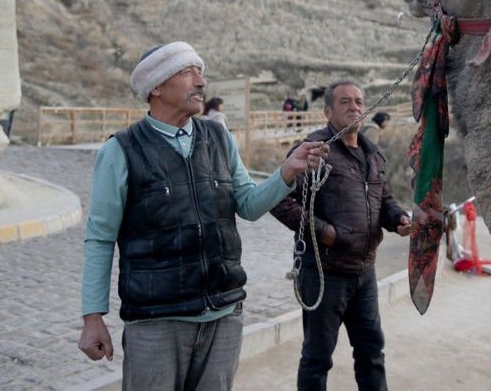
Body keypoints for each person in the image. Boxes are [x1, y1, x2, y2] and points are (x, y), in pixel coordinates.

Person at [77, 41, 329, 390]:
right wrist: (93, 317)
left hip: (224, 316)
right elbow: (100, 238)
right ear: (156, 87)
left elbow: (248, 204)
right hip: (155, 321)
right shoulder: (120, 150)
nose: (201, 82)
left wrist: (287, 171)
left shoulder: (219, 137)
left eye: (201, 72)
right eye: (188, 72)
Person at [270, 78, 411, 390]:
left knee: (372, 353)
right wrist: (327, 234)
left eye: (359, 101)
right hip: (324, 273)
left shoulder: (373, 154)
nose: (354, 107)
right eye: (344, 102)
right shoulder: (314, 150)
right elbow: (278, 199)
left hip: (364, 273)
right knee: (317, 359)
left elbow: (384, 199)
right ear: (327, 111)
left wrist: (398, 218)